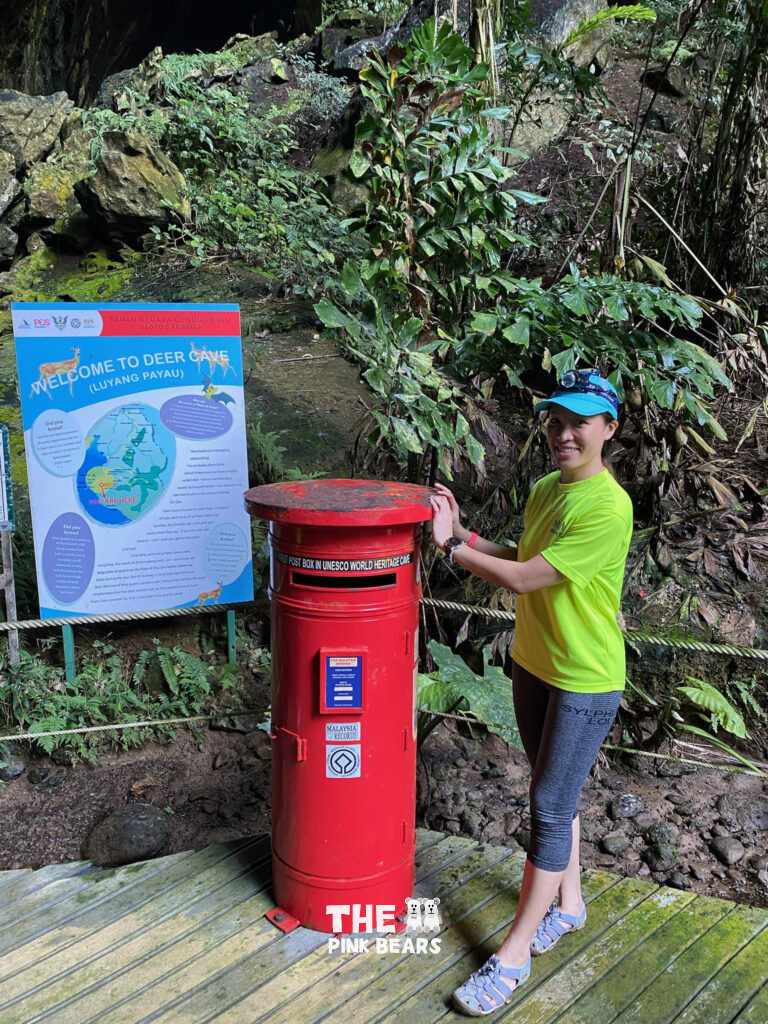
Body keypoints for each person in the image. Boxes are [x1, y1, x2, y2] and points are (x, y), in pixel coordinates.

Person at [429, 368, 633, 1017]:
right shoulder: (549, 487)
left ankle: (513, 956)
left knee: (548, 805)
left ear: (608, 428)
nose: (564, 433)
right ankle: (568, 906)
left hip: (584, 677)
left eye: (579, 422)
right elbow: (524, 553)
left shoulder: (608, 505)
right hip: (535, 662)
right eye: (555, 420)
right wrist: (466, 534)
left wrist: (453, 549)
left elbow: (519, 580)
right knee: (554, 788)